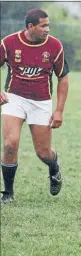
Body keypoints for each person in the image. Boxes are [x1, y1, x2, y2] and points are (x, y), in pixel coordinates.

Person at [0, 9, 69, 203]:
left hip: (41, 102)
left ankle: (54, 167)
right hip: (14, 98)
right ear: (31, 26)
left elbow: (63, 78)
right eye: (44, 25)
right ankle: (8, 193)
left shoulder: (55, 46)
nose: (48, 29)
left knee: (43, 153)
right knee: (10, 144)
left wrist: (59, 110)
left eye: (49, 25)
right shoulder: (9, 43)